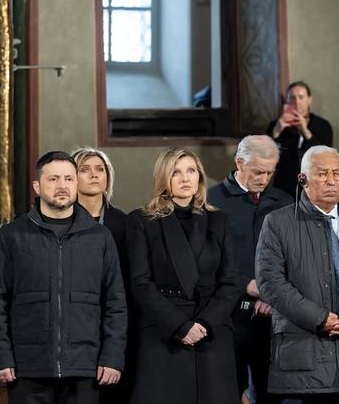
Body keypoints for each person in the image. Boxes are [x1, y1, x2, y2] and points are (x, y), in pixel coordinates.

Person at [0, 151, 127, 404]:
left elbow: (115, 303)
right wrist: (1, 357)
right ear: (37, 186)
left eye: (69, 179)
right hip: (28, 367)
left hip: (86, 366)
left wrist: (112, 357)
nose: (62, 186)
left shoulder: (100, 237)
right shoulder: (11, 236)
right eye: (53, 179)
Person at [255, 145, 339, 403]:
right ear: (303, 179)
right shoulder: (277, 223)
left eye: (338, 173)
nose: (331, 180)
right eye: (322, 173)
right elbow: (270, 283)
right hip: (302, 365)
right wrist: (320, 318)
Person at [126, 147, 240, 404]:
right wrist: (180, 325)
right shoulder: (142, 221)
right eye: (176, 172)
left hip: (211, 333)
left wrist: (205, 324)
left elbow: (230, 282)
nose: (185, 178)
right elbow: (141, 283)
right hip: (164, 334)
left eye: (191, 171)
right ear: (163, 179)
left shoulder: (218, 221)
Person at [207, 135, 293, 404]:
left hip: (274, 315)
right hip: (228, 313)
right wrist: (246, 284)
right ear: (239, 163)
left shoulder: (284, 201)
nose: (264, 178)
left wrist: (271, 294)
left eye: (270, 172)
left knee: (272, 392)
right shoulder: (212, 200)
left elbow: (294, 257)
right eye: (258, 171)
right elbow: (207, 258)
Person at [71, 146, 133, 402]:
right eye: (84, 169)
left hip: (116, 323)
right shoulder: (61, 221)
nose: (94, 175)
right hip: (76, 326)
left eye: (100, 169)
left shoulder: (125, 222)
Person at [266, 81, 333, 196]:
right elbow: (264, 156)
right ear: (286, 101)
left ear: (309, 100)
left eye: (301, 97)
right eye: (292, 98)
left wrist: (305, 131)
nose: (297, 102)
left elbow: (325, 157)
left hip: (314, 186)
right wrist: (276, 132)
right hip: (283, 186)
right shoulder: (275, 125)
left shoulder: (323, 125)